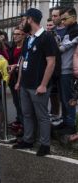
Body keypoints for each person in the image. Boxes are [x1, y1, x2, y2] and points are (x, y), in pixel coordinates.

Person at [13, 8, 58, 156]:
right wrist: (19, 81)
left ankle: (45, 145)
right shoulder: (28, 38)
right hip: (25, 84)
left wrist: (43, 85)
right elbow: (23, 60)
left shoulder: (47, 37)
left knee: (42, 115)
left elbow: (51, 62)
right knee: (27, 114)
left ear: (30, 19)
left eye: (24, 19)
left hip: (38, 85)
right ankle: (28, 140)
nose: (22, 22)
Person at [56, 7, 78, 136]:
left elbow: (64, 47)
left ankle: (70, 125)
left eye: (65, 19)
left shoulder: (75, 31)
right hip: (63, 69)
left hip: (68, 70)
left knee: (68, 99)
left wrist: (55, 46)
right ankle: (66, 122)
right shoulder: (69, 29)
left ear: (74, 17)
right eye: (62, 18)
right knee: (63, 99)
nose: (62, 21)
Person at [8, 27, 26, 131]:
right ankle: (19, 119)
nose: (15, 36)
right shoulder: (12, 46)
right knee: (16, 101)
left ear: (23, 35)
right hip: (12, 77)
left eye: (18, 34)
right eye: (14, 34)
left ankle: (24, 124)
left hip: (22, 77)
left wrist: (16, 65)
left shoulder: (25, 47)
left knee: (22, 102)